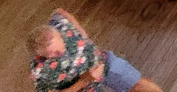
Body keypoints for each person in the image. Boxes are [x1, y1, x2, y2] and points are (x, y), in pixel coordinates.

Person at [30, 9, 163, 92]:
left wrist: (84, 37)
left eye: (59, 49)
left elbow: (60, 12)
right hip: (86, 88)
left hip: (102, 62)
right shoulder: (41, 72)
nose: (59, 54)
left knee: (138, 84)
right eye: (51, 55)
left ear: (58, 34)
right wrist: (84, 81)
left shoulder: (59, 25)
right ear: (40, 55)